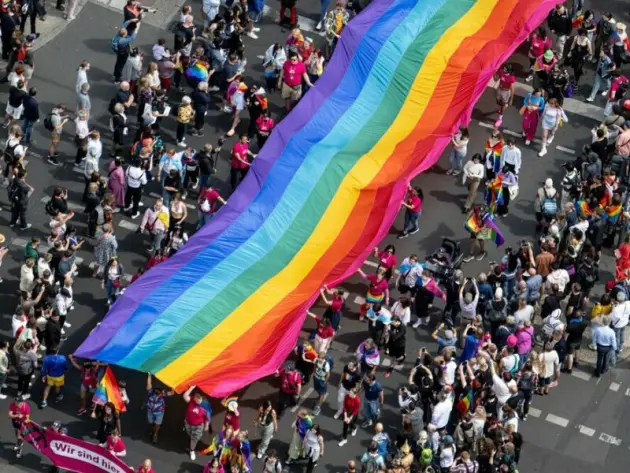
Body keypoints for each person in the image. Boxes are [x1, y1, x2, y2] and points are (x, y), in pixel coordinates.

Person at [182, 385, 210, 460]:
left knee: (195, 438)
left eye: (198, 398)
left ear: (202, 398)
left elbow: (208, 416)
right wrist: (191, 388)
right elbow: (185, 396)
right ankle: (191, 442)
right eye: (195, 397)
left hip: (198, 425)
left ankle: (192, 450)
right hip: (188, 423)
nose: (196, 399)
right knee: (190, 435)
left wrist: (207, 424)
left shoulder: (205, 405)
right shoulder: (191, 400)